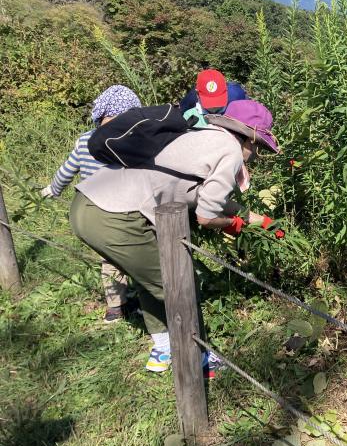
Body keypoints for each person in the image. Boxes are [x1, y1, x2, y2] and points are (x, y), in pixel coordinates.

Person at [69, 98, 281, 375]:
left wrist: (260, 221)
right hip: (112, 217)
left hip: (90, 204)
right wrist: (234, 224)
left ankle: (164, 348)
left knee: (150, 280)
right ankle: (199, 360)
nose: (257, 156)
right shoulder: (230, 153)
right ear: (249, 140)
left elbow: (208, 198)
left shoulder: (203, 136)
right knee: (180, 283)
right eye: (260, 148)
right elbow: (206, 216)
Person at [41, 85, 142, 322]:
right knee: (135, 254)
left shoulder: (85, 140)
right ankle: (142, 301)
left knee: (108, 259)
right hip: (125, 208)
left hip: (93, 212)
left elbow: (66, 171)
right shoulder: (130, 139)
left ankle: (115, 308)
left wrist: (52, 189)